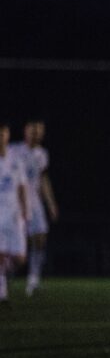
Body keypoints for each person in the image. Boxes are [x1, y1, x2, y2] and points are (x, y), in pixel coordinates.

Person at [9, 119, 59, 297]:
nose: (36, 134)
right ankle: (6, 276)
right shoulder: (14, 150)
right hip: (14, 201)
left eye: (39, 131)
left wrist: (51, 204)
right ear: (25, 131)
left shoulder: (42, 154)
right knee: (13, 243)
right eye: (33, 130)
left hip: (35, 202)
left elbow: (44, 180)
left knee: (40, 239)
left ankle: (33, 280)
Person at [0, 120, 29, 306]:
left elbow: (22, 186)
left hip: (15, 214)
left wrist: (25, 209)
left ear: (8, 135)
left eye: (3, 133)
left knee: (20, 258)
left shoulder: (15, 158)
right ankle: (2, 290)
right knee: (1, 254)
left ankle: (3, 274)